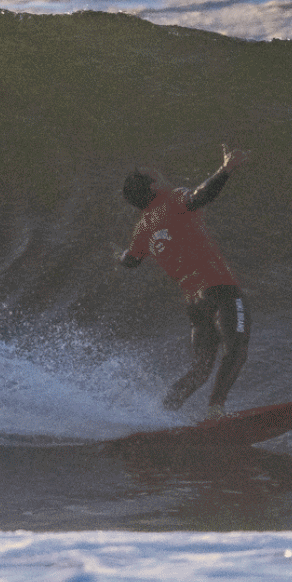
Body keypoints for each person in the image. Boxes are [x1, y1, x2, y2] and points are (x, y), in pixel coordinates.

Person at [116, 145, 254, 417]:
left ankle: (162, 413)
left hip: (195, 303)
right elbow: (200, 196)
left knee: (201, 368)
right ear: (153, 187)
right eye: (154, 174)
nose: (159, 173)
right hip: (219, 290)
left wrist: (119, 256)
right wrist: (225, 170)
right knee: (236, 348)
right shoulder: (172, 198)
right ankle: (216, 408)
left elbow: (131, 261)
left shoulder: (143, 227)